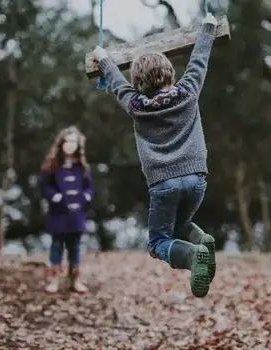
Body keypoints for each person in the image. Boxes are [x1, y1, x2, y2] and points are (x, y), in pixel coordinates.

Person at [91, 13, 218, 297]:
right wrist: (208, 26)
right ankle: (202, 240)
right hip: (197, 180)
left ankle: (195, 255)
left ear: (139, 83)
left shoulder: (136, 105)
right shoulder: (188, 92)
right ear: (171, 73)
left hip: (164, 184)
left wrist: (103, 58)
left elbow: (115, 82)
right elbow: (199, 60)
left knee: (159, 242)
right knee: (180, 226)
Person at [39, 126, 93, 294]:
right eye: (67, 141)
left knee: (75, 247)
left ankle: (74, 280)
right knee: (56, 246)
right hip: (58, 215)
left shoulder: (82, 167)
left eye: (74, 142)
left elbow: (89, 188)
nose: (70, 145)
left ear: (78, 145)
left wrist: (84, 198)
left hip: (76, 216)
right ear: (61, 143)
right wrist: (56, 197)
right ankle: (54, 280)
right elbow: (43, 186)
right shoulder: (52, 166)